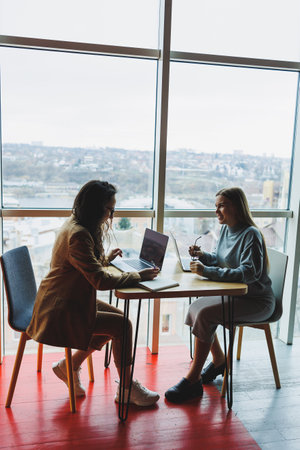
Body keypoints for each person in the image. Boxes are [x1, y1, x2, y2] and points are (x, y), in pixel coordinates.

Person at [26, 180, 160, 407]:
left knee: (118, 320)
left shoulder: (75, 224)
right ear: (95, 208)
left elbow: (84, 267)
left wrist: (105, 259)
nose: (110, 215)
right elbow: (99, 280)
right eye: (109, 209)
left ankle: (69, 366)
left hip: (64, 298)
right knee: (123, 327)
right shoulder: (79, 235)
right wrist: (139, 276)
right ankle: (127, 390)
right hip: (61, 309)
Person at [165, 187, 275, 403]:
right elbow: (221, 258)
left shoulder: (250, 234)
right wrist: (204, 257)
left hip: (256, 301)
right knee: (196, 307)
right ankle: (219, 359)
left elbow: (248, 274)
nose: (216, 211)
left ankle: (193, 380)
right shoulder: (225, 229)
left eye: (221, 205)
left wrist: (207, 271)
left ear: (236, 206)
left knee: (206, 315)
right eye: (216, 206)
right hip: (236, 296)